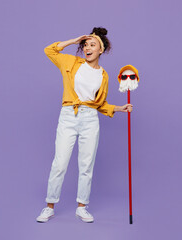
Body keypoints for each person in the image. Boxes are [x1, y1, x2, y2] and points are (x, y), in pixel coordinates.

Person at [36, 27, 133, 223]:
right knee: (60, 163)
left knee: (86, 165)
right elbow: (50, 50)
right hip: (68, 116)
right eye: (85, 45)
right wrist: (73, 40)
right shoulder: (71, 62)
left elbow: (100, 104)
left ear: (101, 49)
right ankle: (49, 206)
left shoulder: (103, 76)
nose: (87, 48)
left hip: (90, 119)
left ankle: (82, 207)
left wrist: (119, 108)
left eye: (92, 45)